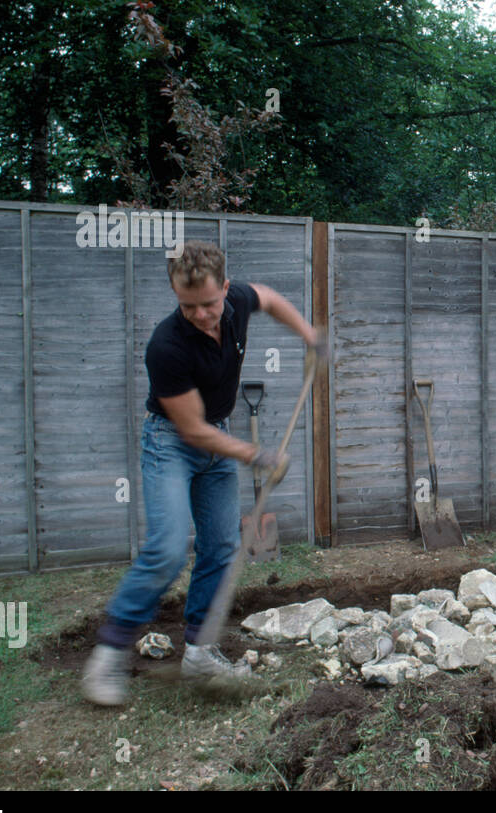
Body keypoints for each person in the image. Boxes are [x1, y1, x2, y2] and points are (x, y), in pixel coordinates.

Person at [81, 240, 326, 706]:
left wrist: (308, 335)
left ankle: (198, 652)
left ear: (226, 290)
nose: (200, 314)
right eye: (187, 305)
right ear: (176, 296)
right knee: (168, 547)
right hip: (172, 443)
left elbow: (270, 299)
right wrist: (256, 454)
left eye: (209, 303)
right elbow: (192, 431)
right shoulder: (167, 346)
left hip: (217, 437)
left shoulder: (237, 302)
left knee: (221, 545)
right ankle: (109, 656)